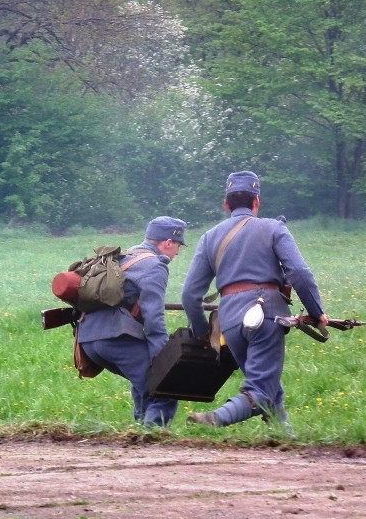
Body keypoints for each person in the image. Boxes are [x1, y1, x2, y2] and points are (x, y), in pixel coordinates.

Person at [180, 170, 328, 430]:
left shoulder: (209, 238)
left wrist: (203, 331)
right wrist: (317, 312)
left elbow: (190, 295)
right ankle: (216, 419)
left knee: (269, 385)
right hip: (265, 313)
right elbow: (300, 273)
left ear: (226, 204)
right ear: (257, 201)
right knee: (261, 388)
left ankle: (287, 438)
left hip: (229, 320)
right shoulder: (273, 228)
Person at [77, 216, 187, 427]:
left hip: (89, 339)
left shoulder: (125, 256)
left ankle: (140, 434)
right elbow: (153, 320)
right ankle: (150, 442)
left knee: (144, 383)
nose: (178, 252)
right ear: (168, 242)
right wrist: (162, 361)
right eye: (178, 246)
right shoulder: (155, 266)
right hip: (116, 338)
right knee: (164, 387)